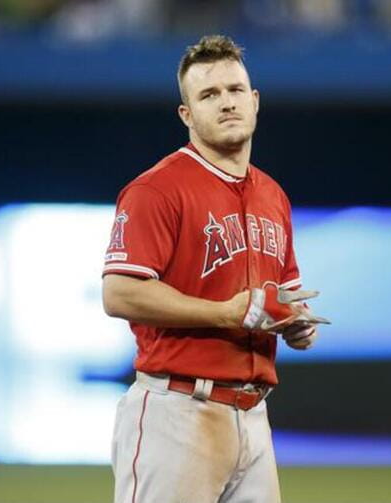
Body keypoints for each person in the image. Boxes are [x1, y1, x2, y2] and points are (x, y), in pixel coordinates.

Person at [102, 34, 328, 503]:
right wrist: (227, 313)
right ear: (187, 114)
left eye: (234, 90)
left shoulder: (273, 195)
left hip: (253, 416)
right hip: (178, 411)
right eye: (208, 94)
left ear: (255, 101)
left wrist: (296, 326)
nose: (226, 103)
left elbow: (284, 295)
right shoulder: (157, 190)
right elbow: (120, 294)